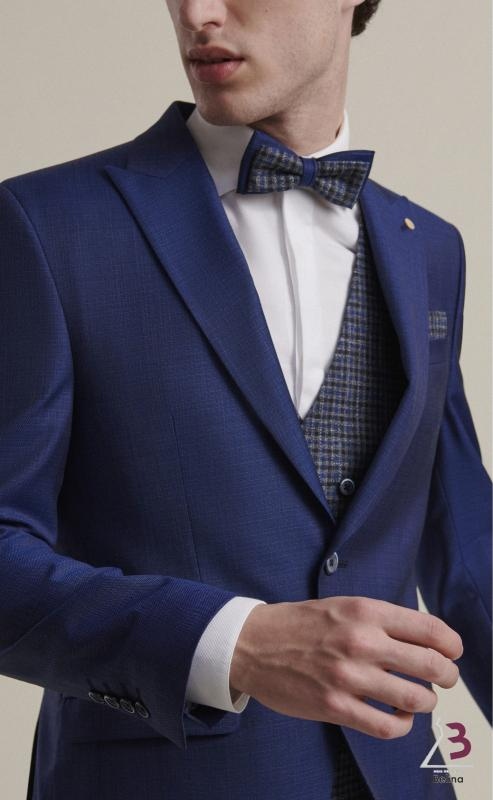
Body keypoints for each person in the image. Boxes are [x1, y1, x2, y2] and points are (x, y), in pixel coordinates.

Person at [0, 1, 490, 799]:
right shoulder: (46, 225)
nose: (197, 13)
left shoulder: (429, 248)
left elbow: (466, 549)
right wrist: (234, 643)